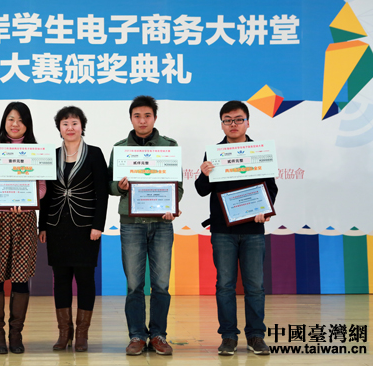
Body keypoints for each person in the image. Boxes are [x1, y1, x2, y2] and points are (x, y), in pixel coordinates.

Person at [195, 100, 278, 356]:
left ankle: (256, 336)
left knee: (255, 286)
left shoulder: (259, 152)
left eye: (238, 119)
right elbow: (201, 190)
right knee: (225, 285)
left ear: (247, 123)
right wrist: (204, 174)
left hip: (253, 230)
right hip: (223, 231)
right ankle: (228, 336)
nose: (233, 124)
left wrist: (265, 209)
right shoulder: (214, 153)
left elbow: (271, 188)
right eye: (228, 120)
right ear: (222, 124)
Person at [107, 95, 183, 356]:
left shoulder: (169, 147)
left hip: (162, 223)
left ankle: (159, 335)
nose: (142, 120)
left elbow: (178, 186)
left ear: (155, 118)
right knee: (134, 284)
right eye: (137, 116)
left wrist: (172, 205)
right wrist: (120, 187)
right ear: (131, 119)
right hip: (131, 223)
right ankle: (137, 336)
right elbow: (109, 185)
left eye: (147, 116)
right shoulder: (120, 149)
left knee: (161, 284)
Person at [0, 102, 46, 354]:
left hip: (24, 219)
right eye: (11, 119)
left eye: (21, 120)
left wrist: (26, 200)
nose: (15, 124)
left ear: (28, 124)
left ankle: (16, 334)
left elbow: (41, 188)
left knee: (20, 278)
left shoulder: (36, 152)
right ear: (4, 122)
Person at [38, 106, 109, 352]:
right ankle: (64, 333)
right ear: (59, 128)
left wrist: (98, 225)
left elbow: (102, 193)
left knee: (86, 280)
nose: (70, 128)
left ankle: (82, 335)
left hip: (86, 227)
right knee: (61, 280)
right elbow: (46, 194)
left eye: (74, 123)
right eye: (65, 123)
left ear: (82, 126)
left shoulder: (95, 154)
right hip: (57, 226)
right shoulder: (52, 155)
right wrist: (43, 225)